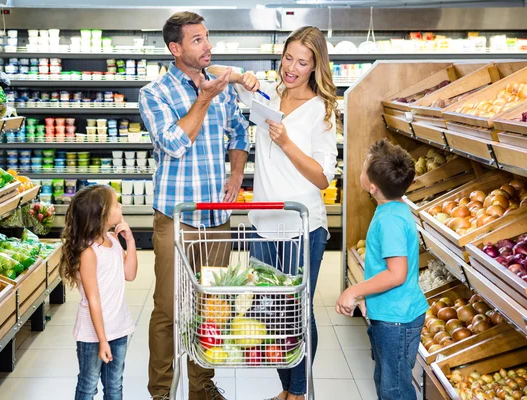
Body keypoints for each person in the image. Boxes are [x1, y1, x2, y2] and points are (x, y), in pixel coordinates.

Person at [209, 25, 339, 400]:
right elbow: (211, 73)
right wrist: (241, 77)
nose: (292, 68)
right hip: (263, 224)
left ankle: (298, 392)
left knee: (298, 312)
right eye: (288, 58)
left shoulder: (322, 111)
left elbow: (321, 177)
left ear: (315, 67)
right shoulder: (267, 94)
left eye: (302, 62)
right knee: (269, 313)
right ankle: (286, 388)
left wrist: (286, 143)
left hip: (301, 227)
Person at [138, 11, 250, 400]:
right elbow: (174, 142)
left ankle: (202, 386)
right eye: (198, 40)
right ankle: (161, 391)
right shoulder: (154, 94)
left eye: (207, 38)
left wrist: (236, 175)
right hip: (176, 216)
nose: (208, 46)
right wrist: (203, 99)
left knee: (212, 304)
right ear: (176, 48)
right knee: (168, 309)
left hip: (217, 216)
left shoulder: (222, 88)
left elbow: (239, 131)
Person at [336, 139, 428, 400]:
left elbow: (396, 274)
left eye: (363, 169)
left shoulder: (389, 220)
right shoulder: (395, 208)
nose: (360, 172)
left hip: (395, 320)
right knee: (387, 380)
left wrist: (354, 291)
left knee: (395, 390)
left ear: (372, 187)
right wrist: (368, 296)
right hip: (391, 312)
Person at [60, 184, 138, 400]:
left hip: (119, 327)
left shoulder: (112, 241)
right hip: (93, 334)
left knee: (115, 386)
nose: (120, 205)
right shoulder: (89, 253)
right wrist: (102, 339)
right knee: (88, 385)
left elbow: (129, 274)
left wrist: (130, 242)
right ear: (102, 214)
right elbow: (93, 299)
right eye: (116, 203)